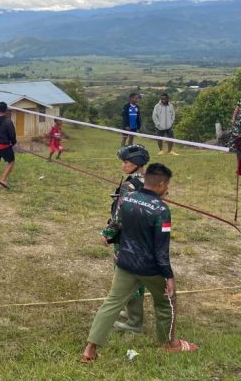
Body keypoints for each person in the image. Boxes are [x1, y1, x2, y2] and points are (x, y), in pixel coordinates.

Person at [81, 163, 198, 363]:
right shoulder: (162, 210)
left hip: (125, 262)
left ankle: (90, 349)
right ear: (161, 183)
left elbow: (115, 223)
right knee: (166, 303)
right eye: (167, 184)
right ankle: (170, 344)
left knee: (112, 302)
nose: (167, 188)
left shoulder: (126, 199)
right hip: (150, 268)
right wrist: (168, 276)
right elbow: (161, 248)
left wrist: (107, 236)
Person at [101, 144, 150, 334]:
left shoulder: (128, 186)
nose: (122, 165)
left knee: (127, 275)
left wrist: (107, 234)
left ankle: (134, 322)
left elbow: (121, 216)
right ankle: (131, 311)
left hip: (128, 239)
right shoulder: (151, 181)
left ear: (136, 163)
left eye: (126, 162)